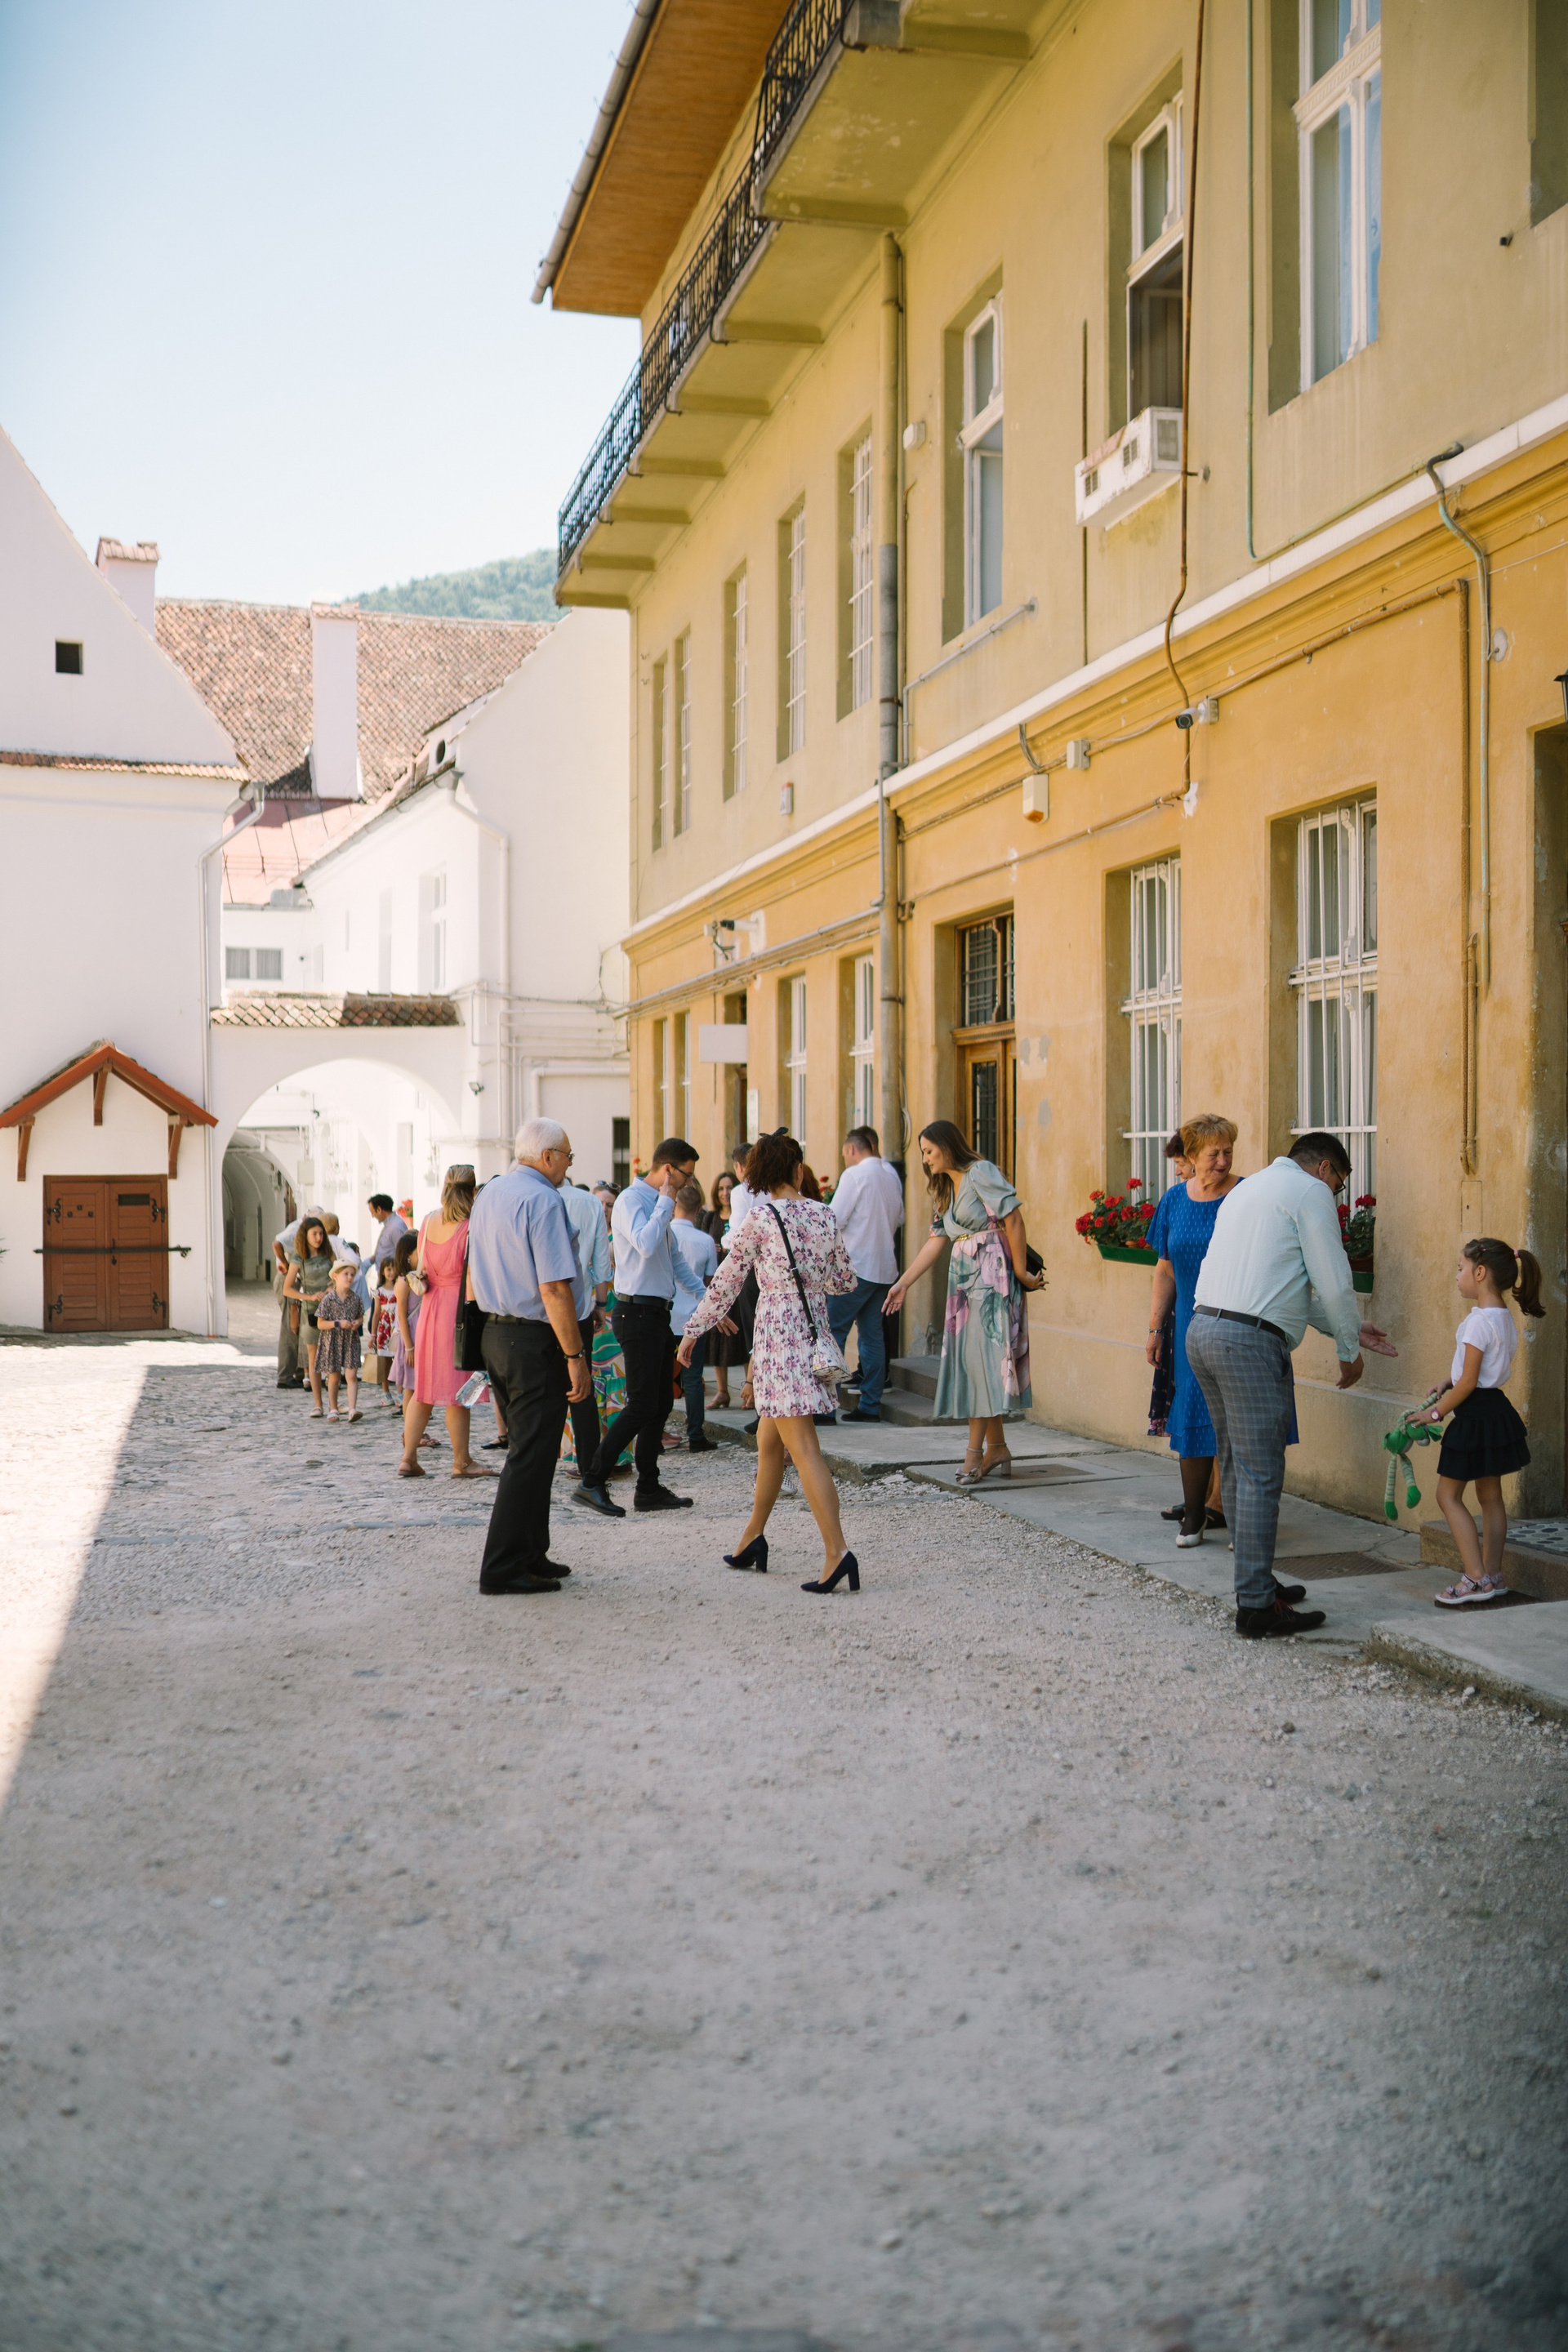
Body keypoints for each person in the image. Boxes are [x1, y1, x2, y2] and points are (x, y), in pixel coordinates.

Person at [1185, 1130, 1395, 1637]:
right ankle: (1257, 1607)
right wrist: (1349, 1351)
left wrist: (1347, 1328)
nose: (1337, 1196)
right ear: (1324, 1168)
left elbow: (1277, 1289)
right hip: (1248, 1345)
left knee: (1236, 1466)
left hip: (1204, 1330)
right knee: (1260, 1473)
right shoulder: (1310, 1192)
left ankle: (1256, 1582)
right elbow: (1333, 1281)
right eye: (1339, 1185)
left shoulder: (1251, 1188)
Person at [678, 1128, 861, 1592]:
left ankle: (838, 1553)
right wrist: (810, 1281)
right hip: (812, 1336)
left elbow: (726, 1280)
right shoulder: (824, 1213)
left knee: (804, 1448)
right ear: (797, 1170)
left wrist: (693, 1330)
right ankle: (752, 1538)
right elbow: (845, 1281)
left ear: (760, 1173)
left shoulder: (760, 1218)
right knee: (769, 1443)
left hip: (778, 1339)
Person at [468, 1118, 593, 1596]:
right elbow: (555, 1287)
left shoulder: (491, 1193)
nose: (568, 1165)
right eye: (567, 1156)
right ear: (547, 1157)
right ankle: (502, 1566)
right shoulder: (543, 1200)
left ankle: (531, 1551)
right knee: (529, 1455)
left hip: (496, 1332)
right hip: (532, 1338)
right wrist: (575, 1356)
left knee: (534, 1451)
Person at [884, 1121, 1044, 1484]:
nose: (926, 1159)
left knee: (981, 1365)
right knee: (977, 1366)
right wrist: (903, 1283)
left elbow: (1014, 1218)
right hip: (964, 1284)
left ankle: (974, 1453)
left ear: (947, 1145)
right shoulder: (944, 1190)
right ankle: (997, 1447)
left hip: (992, 1280)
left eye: (929, 1151)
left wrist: (1021, 1272)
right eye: (922, 1153)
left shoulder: (980, 1172)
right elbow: (935, 1242)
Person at [575, 1138, 704, 1519]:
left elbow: (674, 1262)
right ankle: (592, 1480)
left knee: (661, 1402)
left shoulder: (659, 1205)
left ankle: (648, 1487)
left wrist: (711, 1301)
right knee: (642, 1403)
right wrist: (665, 1202)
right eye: (686, 1175)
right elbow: (645, 1245)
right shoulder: (632, 1201)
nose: (689, 1183)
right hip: (636, 1313)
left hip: (658, 1314)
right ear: (668, 1170)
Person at [1412, 1237, 1544, 1606]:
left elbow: (1470, 1382)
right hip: (1495, 1412)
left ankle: (1473, 1578)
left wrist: (1434, 1413)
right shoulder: (1503, 1317)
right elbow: (1480, 1372)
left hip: (1472, 1416)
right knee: (1490, 1496)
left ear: (1480, 1272)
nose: (1457, 1276)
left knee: (1447, 1495)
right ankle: (1493, 1576)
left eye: (1461, 1268)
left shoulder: (1476, 1323)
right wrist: (1448, 1381)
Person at [1143, 1115, 1244, 1547]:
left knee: (1239, 1420)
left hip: (1237, 1321)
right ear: (1190, 1156)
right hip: (1187, 1322)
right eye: (1213, 1154)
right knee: (1192, 1413)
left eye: (1228, 1152)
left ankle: (1240, 1519)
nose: (1222, 1161)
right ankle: (1195, 1515)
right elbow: (1165, 1269)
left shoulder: (1245, 1195)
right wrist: (1155, 1329)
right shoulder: (1174, 1200)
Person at [400, 1165, 489, 1480]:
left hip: (430, 1308)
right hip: (457, 1310)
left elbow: (423, 1265)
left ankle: (408, 1457)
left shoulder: (428, 1221)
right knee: (458, 1391)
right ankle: (461, 1461)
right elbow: (474, 1274)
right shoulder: (471, 1226)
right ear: (473, 1191)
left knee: (423, 1389)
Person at [826, 1124, 905, 1423]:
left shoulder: (854, 1175)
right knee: (872, 1337)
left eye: (844, 1154)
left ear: (851, 1149)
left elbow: (834, 1219)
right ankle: (870, 1405)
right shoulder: (891, 1175)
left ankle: (826, 1408)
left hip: (855, 1267)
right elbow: (900, 1217)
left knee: (833, 1334)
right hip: (884, 1269)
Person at [559, 1170, 614, 1484]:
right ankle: (590, 1470)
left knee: (543, 1391)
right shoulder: (588, 1203)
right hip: (578, 1308)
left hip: (535, 1312)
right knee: (581, 1388)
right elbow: (601, 1263)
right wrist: (601, 1304)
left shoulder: (525, 1197)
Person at [670, 1182, 719, 1450]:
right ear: (699, 1210)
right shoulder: (705, 1241)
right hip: (693, 1319)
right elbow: (710, 1283)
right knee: (693, 1379)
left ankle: (657, 1434)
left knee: (661, 1378)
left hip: (665, 1316)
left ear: (674, 1207)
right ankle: (696, 1435)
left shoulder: (664, 1234)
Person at [281, 1218, 337, 1415]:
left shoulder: (329, 1253)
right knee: (313, 1359)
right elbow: (288, 1289)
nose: (318, 1238)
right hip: (311, 1310)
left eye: (321, 1234)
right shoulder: (299, 1258)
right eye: (314, 1234)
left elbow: (339, 1274)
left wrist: (332, 1288)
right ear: (305, 1235)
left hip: (331, 1308)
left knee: (332, 1356)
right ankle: (318, 1404)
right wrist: (309, 1296)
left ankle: (334, 1405)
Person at [699, 1171, 745, 1408]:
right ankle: (722, 1391)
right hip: (718, 1283)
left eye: (729, 1188)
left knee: (744, 1334)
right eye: (721, 1188)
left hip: (741, 1282)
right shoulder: (711, 1217)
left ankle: (750, 1389)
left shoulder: (742, 1213)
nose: (725, 1193)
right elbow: (702, 1243)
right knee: (717, 1337)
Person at [314, 1260, 364, 1422]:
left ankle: (352, 1408)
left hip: (350, 1341)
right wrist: (338, 1323)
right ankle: (333, 1408)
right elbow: (320, 1323)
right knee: (334, 1377)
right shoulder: (328, 1299)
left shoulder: (355, 1299)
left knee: (352, 1375)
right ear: (335, 1276)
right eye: (346, 1274)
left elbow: (360, 1316)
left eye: (352, 1275)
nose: (349, 1277)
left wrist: (357, 1322)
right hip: (332, 1342)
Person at [390, 1231, 422, 1422]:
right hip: (411, 1336)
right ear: (408, 1255)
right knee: (411, 1386)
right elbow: (401, 1315)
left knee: (418, 1386)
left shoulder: (416, 1277)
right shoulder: (403, 1281)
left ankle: (415, 1429)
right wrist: (409, 1347)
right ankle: (409, 1430)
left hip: (420, 1333)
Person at [369, 1257, 399, 1404]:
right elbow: (376, 1314)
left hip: (397, 1328)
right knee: (385, 1362)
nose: (391, 1272)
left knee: (398, 1360)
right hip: (385, 1329)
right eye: (388, 1269)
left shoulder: (400, 1288)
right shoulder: (379, 1292)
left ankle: (400, 1392)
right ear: (382, 1271)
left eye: (393, 1268)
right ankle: (385, 1391)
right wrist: (373, 1335)